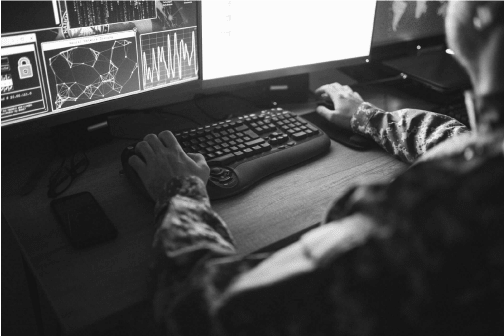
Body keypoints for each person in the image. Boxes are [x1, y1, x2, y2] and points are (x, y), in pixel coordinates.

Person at [128, 1, 504, 335]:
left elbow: (204, 313)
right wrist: (367, 117)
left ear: (485, 13)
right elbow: (463, 139)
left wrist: (179, 191)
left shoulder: (433, 217)